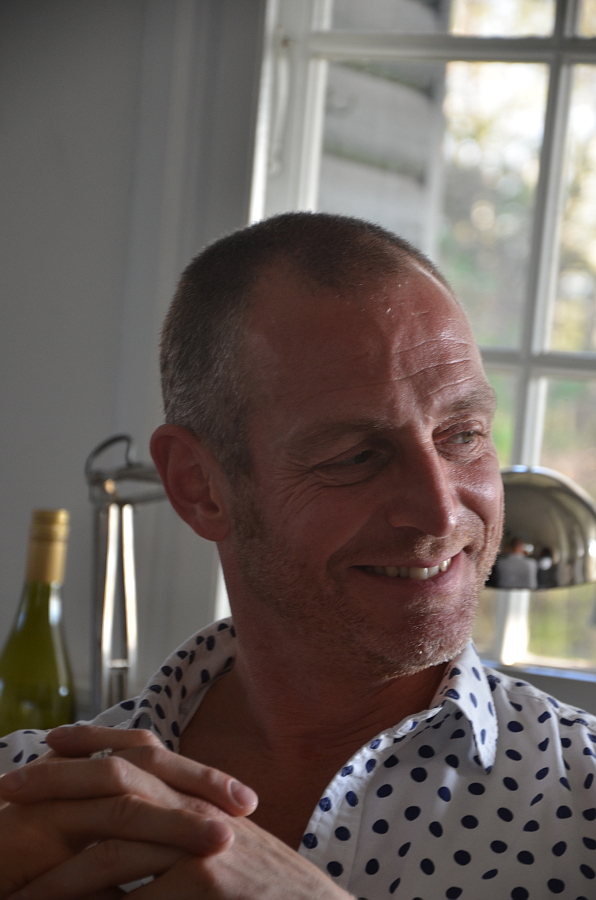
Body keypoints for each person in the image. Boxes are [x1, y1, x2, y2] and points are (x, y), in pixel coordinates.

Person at [1, 213, 595, 899]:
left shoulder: (583, 801)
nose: (439, 512)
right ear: (199, 486)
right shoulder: (29, 803)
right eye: (357, 457)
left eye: (462, 434)